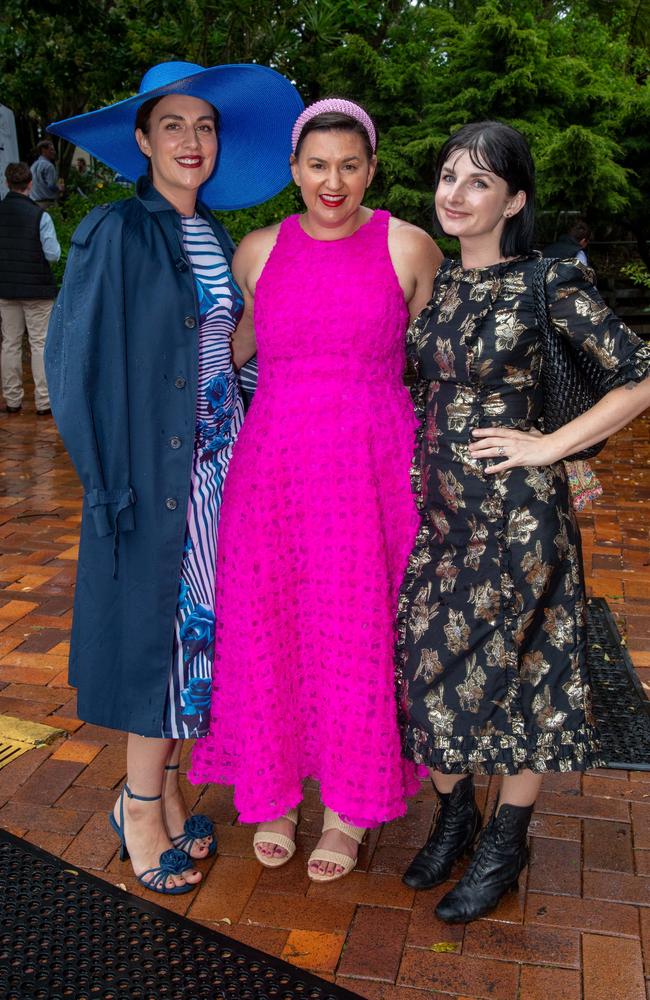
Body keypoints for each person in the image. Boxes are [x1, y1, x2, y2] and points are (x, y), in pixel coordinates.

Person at [44, 61, 303, 895]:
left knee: (198, 640)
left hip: (219, 466)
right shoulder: (118, 229)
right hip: (153, 477)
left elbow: (216, 357)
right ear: (143, 140)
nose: (192, 142)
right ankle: (138, 805)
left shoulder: (216, 238)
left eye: (206, 127)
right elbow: (74, 364)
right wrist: (103, 480)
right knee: (160, 645)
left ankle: (170, 785)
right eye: (174, 126)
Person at [397, 121, 650, 923]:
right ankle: (456, 815)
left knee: (523, 681)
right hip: (438, 518)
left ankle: (507, 843)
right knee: (423, 667)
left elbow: (638, 376)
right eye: (448, 176)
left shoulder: (548, 282)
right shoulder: (437, 282)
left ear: (515, 199)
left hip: (518, 524)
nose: (456, 194)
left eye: (478, 181)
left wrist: (552, 447)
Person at [189, 98, 443, 881]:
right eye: (317, 165)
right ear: (294, 170)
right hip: (274, 473)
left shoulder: (410, 246)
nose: (333, 182)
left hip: (372, 473)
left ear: (371, 169)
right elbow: (228, 352)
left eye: (350, 165)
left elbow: (440, 370)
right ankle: (270, 796)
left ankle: (347, 808)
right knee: (270, 623)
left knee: (355, 630)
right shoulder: (259, 251)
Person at [0, 161, 59, 415]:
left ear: (6, 184)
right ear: (30, 184)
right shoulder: (40, 215)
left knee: (10, 343)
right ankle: (44, 402)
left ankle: (13, 400)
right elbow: (53, 254)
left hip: (6, 287)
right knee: (39, 343)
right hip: (37, 288)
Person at [30, 140, 63, 207]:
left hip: (35, 204)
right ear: (43, 150)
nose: (54, 152)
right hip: (48, 204)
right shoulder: (48, 165)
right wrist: (59, 187)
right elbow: (51, 185)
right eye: (51, 149)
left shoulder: (33, 166)